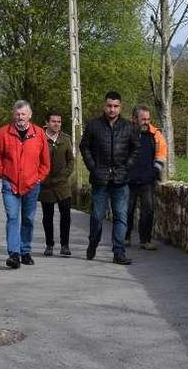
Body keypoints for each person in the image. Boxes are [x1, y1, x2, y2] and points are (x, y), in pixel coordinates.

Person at [79, 91, 140, 265]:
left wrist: (127, 166)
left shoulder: (129, 127)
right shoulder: (93, 126)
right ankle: (93, 242)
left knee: (121, 216)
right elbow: (84, 147)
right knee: (97, 216)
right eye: (109, 106)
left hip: (121, 180)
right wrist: (93, 167)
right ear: (104, 106)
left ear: (120, 107)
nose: (112, 109)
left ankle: (118, 252)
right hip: (100, 179)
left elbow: (136, 148)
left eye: (115, 106)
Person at [0, 100, 51, 269]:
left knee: (28, 219)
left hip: (32, 184)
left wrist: (40, 177)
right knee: (12, 217)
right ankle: (14, 254)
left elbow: (45, 161)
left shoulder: (39, 134)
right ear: (13, 115)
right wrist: (2, 172)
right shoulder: (3, 133)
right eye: (17, 114)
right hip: (10, 184)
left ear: (29, 115)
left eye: (23, 114)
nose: (20, 117)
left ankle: (25, 251)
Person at [125, 105, 168, 250]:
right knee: (127, 210)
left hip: (147, 180)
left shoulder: (155, 134)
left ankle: (145, 240)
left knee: (148, 210)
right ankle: (125, 237)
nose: (146, 122)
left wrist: (155, 170)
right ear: (134, 119)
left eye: (148, 119)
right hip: (128, 180)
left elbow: (162, 152)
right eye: (143, 119)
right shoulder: (125, 133)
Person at [39, 111, 75, 257]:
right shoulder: (39, 138)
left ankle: (65, 245)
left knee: (65, 215)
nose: (57, 124)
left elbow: (71, 160)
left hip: (62, 184)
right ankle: (49, 245)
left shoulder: (66, 139)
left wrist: (65, 175)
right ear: (47, 123)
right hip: (46, 184)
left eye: (59, 122)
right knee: (48, 216)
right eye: (53, 121)